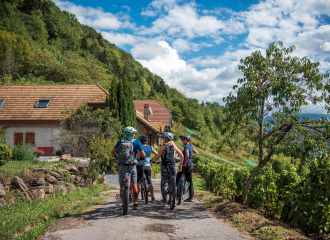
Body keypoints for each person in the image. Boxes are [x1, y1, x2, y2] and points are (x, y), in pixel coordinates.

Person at [111, 126, 145, 210]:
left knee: (122, 186)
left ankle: (123, 203)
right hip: (132, 165)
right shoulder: (137, 141)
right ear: (133, 134)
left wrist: (117, 157)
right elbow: (143, 154)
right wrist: (140, 159)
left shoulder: (121, 141)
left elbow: (112, 152)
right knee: (134, 184)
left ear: (126, 134)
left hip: (122, 164)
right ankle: (135, 203)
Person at [152, 132, 184, 206]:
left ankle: (164, 200)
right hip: (173, 166)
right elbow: (181, 155)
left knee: (164, 183)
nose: (163, 139)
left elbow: (157, 156)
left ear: (166, 138)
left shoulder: (163, 147)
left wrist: (154, 160)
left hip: (164, 166)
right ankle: (174, 200)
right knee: (174, 184)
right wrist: (180, 165)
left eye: (163, 138)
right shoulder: (174, 146)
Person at [176, 134, 199, 202]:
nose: (182, 140)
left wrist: (184, 164)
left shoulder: (186, 146)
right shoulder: (190, 146)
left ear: (187, 140)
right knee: (190, 181)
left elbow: (187, 156)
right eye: (182, 139)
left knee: (177, 177)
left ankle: (176, 195)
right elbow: (197, 152)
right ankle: (191, 197)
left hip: (186, 164)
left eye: (183, 139)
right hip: (190, 165)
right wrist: (191, 155)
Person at [136, 135, 158, 203]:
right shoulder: (150, 147)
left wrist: (135, 165)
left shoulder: (140, 148)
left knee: (138, 181)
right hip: (148, 166)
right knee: (149, 181)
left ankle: (136, 197)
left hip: (140, 166)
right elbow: (157, 154)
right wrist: (153, 159)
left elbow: (138, 158)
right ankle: (152, 196)